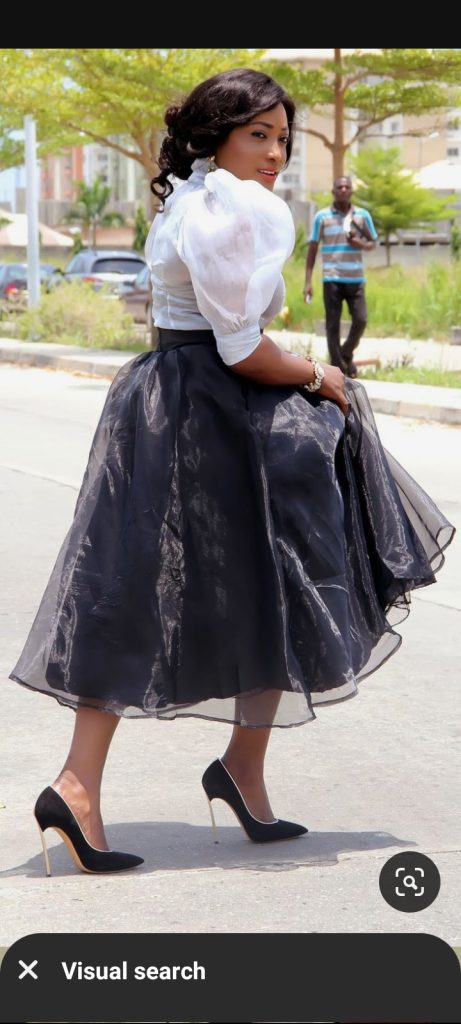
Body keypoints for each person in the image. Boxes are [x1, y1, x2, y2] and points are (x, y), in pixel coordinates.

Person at [9, 69, 454, 876]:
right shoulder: (231, 208)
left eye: (282, 137)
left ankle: (236, 771)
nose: (275, 153)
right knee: (168, 589)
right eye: (258, 135)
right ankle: (79, 787)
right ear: (216, 136)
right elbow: (242, 349)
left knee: (243, 585)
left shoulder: (195, 197)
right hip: (210, 407)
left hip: (176, 399)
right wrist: (321, 375)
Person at [304, 175, 378, 377]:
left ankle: (345, 354)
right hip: (332, 278)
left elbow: (373, 242)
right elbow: (312, 249)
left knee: (361, 320)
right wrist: (308, 281)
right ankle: (338, 369)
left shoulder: (362, 215)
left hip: (356, 279)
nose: (343, 190)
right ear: (333, 191)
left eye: (347, 187)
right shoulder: (322, 217)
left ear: (352, 190)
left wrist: (360, 244)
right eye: (339, 187)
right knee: (332, 326)